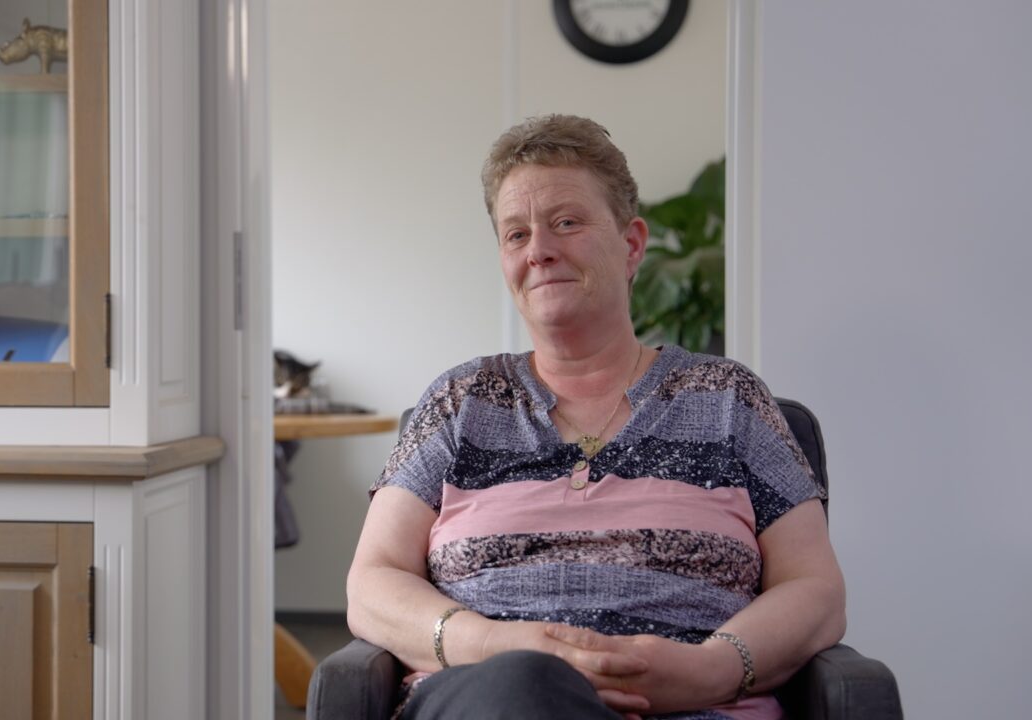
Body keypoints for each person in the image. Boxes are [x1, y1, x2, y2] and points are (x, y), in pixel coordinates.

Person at [346, 114, 846, 720]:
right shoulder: (460, 403)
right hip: (489, 700)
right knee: (525, 687)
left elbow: (815, 589)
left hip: (695, 710)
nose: (539, 251)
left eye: (566, 223)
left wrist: (708, 669)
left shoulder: (729, 400)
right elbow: (372, 583)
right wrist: (491, 645)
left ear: (631, 244)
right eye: (516, 234)